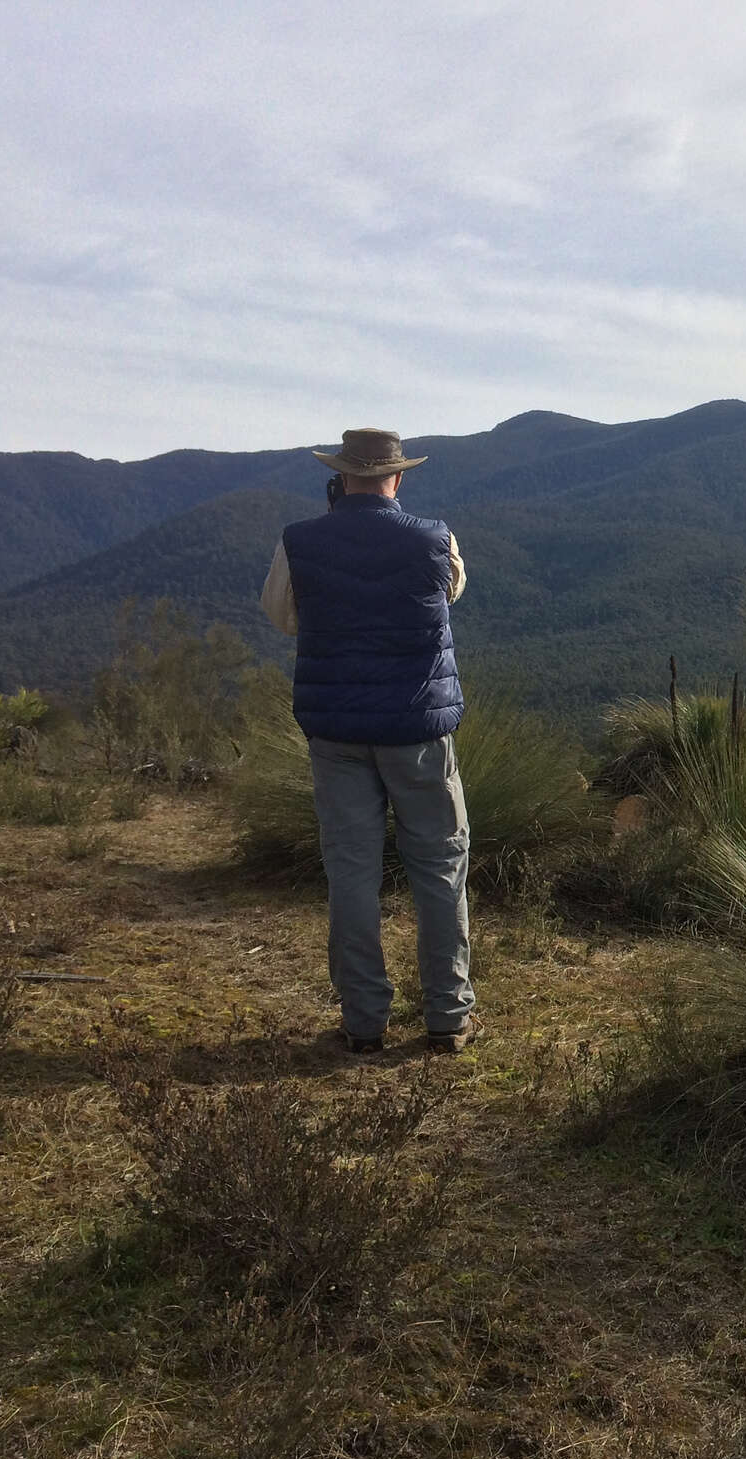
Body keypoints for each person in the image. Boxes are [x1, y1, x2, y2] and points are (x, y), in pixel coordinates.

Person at [259, 427, 476, 1054]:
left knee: (352, 872)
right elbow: (449, 593)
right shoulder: (436, 538)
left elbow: (283, 616)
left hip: (338, 732)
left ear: (340, 477)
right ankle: (447, 1016)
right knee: (438, 867)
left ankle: (363, 1022)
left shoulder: (300, 541)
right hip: (417, 729)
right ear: (397, 477)